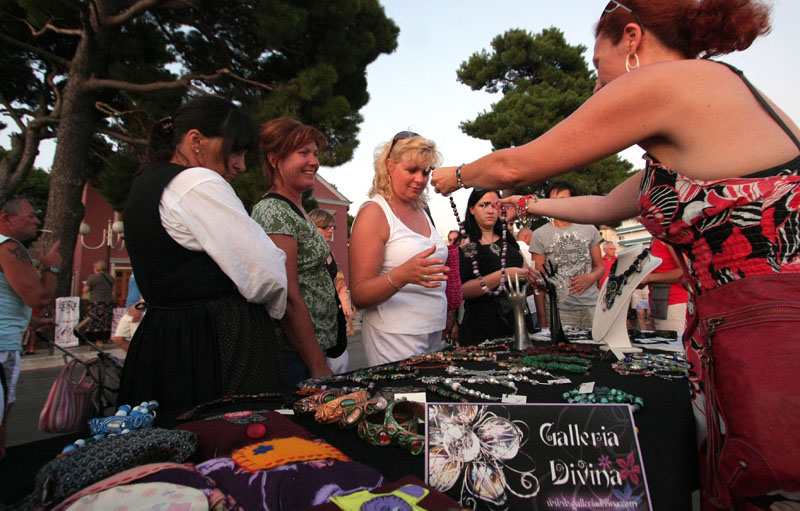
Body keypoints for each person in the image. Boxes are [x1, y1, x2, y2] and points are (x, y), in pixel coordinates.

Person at [431, 1, 799, 507]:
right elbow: (606, 204)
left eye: (596, 62)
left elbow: (515, 165)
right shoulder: (702, 99)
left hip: (774, 328)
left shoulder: (666, 81)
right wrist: (529, 205)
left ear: (631, 38)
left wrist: (457, 175)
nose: (597, 81)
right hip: (745, 324)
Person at [118, 96, 289, 416]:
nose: (240, 165)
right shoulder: (197, 181)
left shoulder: (144, 184)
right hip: (217, 341)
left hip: (162, 339)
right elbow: (265, 273)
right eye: (234, 151)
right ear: (196, 140)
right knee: (237, 436)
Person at [349, 131, 449, 366]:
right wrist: (402, 275)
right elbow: (360, 295)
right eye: (411, 170)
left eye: (426, 172)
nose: (420, 179)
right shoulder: (374, 213)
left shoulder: (422, 210)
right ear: (390, 166)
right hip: (394, 338)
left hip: (433, 332)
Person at [251, 118, 336, 385]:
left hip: (309, 351)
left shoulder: (295, 208)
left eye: (316, 154)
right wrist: (318, 365)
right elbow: (286, 296)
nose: (314, 162)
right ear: (275, 160)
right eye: (303, 153)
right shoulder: (274, 212)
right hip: (296, 356)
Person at [0, 197, 61, 460]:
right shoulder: (10, 247)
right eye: (31, 216)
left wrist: (31, 322)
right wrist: (52, 266)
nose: (37, 221)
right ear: (7, 218)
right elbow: (39, 298)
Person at [458, 189, 531, 346]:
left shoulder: (507, 238)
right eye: (483, 205)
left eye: (494, 205)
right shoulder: (466, 244)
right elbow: (462, 290)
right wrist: (503, 276)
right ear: (472, 209)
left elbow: (523, 266)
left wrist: (531, 276)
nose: (490, 211)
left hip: (518, 319)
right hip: (485, 325)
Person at [529, 182, 604, 329]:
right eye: (553, 201)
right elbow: (538, 280)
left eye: (563, 200)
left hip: (592, 305)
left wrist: (591, 277)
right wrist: (542, 318)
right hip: (558, 310)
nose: (558, 205)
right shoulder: (539, 235)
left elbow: (600, 266)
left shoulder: (589, 228)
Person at [308, 208, 351, 374]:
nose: (330, 231)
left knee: (340, 362)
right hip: (317, 319)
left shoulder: (328, 251)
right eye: (325, 227)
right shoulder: (307, 253)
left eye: (332, 227)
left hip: (334, 314)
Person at [640, 237, 689, 333]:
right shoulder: (655, 239)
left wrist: (648, 278)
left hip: (672, 304)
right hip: (658, 303)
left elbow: (684, 271)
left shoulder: (667, 237)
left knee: (672, 341)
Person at [81, 260, 116, 348]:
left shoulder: (93, 278)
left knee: (94, 323)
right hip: (108, 303)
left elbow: (85, 290)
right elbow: (113, 289)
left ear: (95, 268)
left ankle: (94, 343)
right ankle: (100, 341)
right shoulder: (110, 278)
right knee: (104, 323)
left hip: (96, 302)